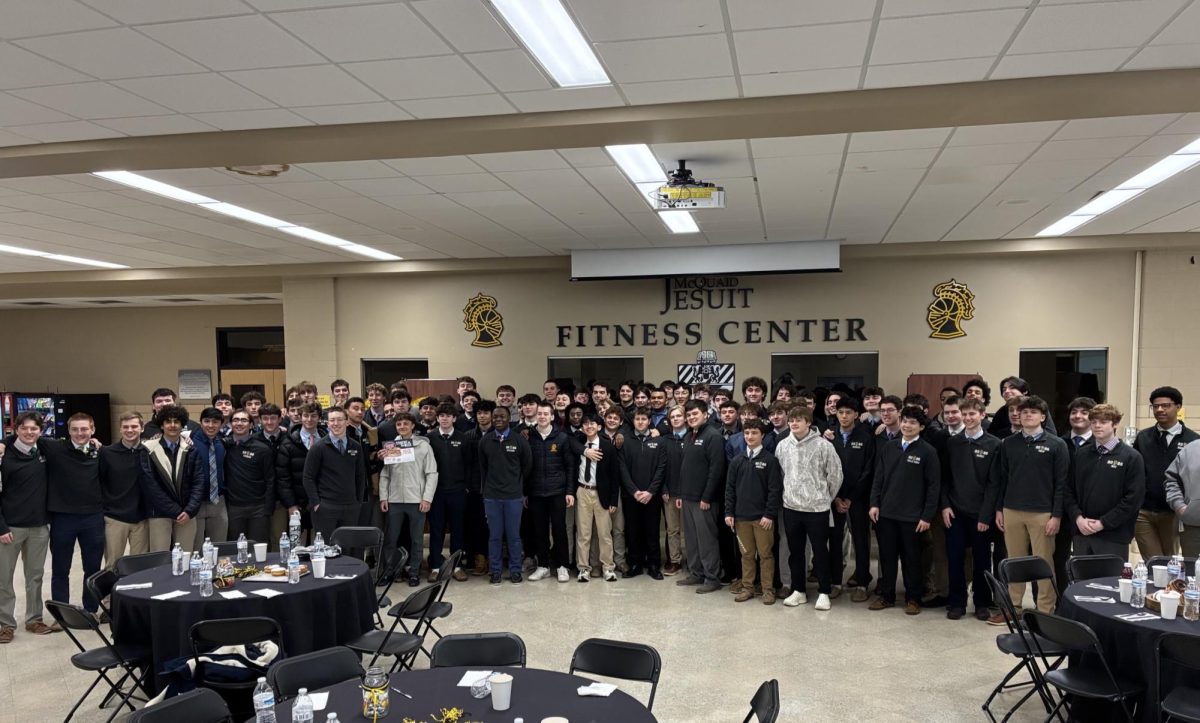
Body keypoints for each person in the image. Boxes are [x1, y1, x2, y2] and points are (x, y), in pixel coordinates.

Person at [992, 395, 1069, 613]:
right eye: (1023, 412)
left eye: (1033, 412)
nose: (1027, 415)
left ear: (1043, 417)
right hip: (1011, 510)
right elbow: (1002, 479)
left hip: (1043, 513)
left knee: (1043, 563)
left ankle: (1045, 610)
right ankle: (1013, 608)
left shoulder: (1056, 444)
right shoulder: (1008, 443)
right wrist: (999, 509)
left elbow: (1061, 483)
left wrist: (1056, 515)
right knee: (1014, 562)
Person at [869, 406, 940, 615]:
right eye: (905, 421)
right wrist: (874, 504)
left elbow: (933, 486)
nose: (907, 425)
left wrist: (927, 516)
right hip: (887, 514)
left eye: (913, 423)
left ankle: (913, 598)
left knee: (912, 560)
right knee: (887, 557)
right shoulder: (889, 447)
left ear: (921, 427)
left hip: (913, 517)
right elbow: (878, 478)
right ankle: (887, 596)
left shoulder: (928, 451)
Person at [776, 406, 843, 610]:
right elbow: (781, 474)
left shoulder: (824, 446)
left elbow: (835, 475)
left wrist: (824, 498)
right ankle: (799, 590)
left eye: (799, 420)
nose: (794, 423)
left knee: (820, 551)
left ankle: (824, 592)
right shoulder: (782, 446)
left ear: (808, 423)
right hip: (791, 507)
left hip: (817, 509)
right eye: (792, 420)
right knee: (795, 552)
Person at [42, 413, 105, 623]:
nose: (80, 433)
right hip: (63, 518)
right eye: (75, 429)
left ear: (92, 430)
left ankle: (90, 610)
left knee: (92, 568)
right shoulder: (55, 448)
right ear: (68, 431)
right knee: (60, 568)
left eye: (84, 429)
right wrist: (4, 443)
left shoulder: (99, 451)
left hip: (93, 518)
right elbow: (26, 435)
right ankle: (62, 614)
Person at [943, 396, 1001, 621]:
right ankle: (957, 602)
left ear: (982, 415)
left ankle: (981, 603)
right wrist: (945, 506)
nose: (967, 418)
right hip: (955, 511)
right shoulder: (953, 443)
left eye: (972, 414)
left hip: (980, 514)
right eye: (964, 414)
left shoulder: (994, 444)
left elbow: (994, 484)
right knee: (955, 558)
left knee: (982, 560)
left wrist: (986, 515)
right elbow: (945, 478)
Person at [0, 412, 56, 639]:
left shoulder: (43, 451)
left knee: (35, 576)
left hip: (39, 527)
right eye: (25, 428)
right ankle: (5, 624)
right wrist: (1, 527)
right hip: (10, 528)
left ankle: (34, 619)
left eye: (34, 429)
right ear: (16, 430)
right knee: (4, 577)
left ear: (40, 431)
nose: (30, 432)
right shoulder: (4, 457)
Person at [1065, 404, 1144, 559]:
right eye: (1094, 422)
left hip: (1113, 535)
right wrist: (1078, 518)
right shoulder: (1080, 454)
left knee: (1110, 582)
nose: (1097, 426)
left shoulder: (1131, 457)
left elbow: (1133, 499)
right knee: (1082, 581)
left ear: (1115, 424)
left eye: (1103, 422)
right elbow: (1068, 490)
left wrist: (1103, 523)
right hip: (1082, 532)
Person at [724, 419, 784, 605]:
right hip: (741, 518)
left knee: (765, 555)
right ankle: (748, 587)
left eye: (754, 433)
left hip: (762, 519)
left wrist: (769, 514)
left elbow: (775, 490)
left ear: (762, 435)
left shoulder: (770, 460)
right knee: (747, 555)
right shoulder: (737, 461)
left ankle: (767, 589)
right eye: (747, 433)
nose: (750, 436)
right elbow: (730, 489)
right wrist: (729, 513)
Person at [1134, 386, 1198, 559]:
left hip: (1174, 513)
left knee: (1170, 560)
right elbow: (1135, 473)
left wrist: (1184, 508)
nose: (1160, 410)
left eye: (1165, 405)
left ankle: (1169, 587)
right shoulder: (1143, 437)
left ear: (1178, 407)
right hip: (1144, 510)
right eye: (1155, 406)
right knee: (1152, 560)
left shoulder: (1192, 440)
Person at [379, 413, 438, 586]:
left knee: (417, 539)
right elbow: (385, 475)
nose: (402, 426)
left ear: (413, 426)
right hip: (395, 500)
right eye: (399, 424)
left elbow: (431, 474)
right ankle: (389, 571)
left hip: (416, 500)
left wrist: (427, 499)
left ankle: (414, 572)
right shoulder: (390, 447)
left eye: (406, 423)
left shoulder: (423, 446)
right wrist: (384, 497)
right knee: (391, 538)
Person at [675, 400, 727, 594]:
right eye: (688, 415)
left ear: (706, 414)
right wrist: (680, 493)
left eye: (695, 414)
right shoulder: (689, 436)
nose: (691, 417)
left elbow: (716, 470)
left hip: (704, 500)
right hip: (688, 497)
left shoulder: (713, 436)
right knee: (692, 539)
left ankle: (712, 577)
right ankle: (696, 572)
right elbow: (684, 469)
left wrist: (707, 497)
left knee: (707, 540)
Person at [829, 396, 876, 602]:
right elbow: (826, 470)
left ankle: (863, 583)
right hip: (835, 498)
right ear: (836, 414)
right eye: (841, 412)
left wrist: (851, 497)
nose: (844, 416)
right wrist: (837, 497)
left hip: (858, 499)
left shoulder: (866, 437)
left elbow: (868, 470)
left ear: (856, 414)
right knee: (835, 540)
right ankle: (835, 582)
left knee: (860, 541)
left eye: (848, 412)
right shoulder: (830, 438)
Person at [479, 406, 531, 584]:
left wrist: (521, 490)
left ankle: (515, 570)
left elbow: (527, 467)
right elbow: (483, 468)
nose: (498, 419)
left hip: (513, 496)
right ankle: (495, 571)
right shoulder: (485, 441)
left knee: (513, 535)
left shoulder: (519, 440)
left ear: (510, 418)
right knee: (494, 535)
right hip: (492, 496)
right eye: (495, 416)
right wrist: (485, 491)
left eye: (502, 416)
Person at [524, 402, 576, 583]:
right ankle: (543, 566)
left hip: (558, 492)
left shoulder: (562, 438)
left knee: (560, 530)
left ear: (552, 417)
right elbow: (524, 468)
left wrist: (569, 491)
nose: (542, 416)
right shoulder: (528, 437)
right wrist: (525, 493)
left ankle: (562, 566)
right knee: (540, 531)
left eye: (546, 413)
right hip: (536, 492)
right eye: (540, 413)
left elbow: (570, 466)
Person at [139, 405, 200, 552]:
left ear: (182, 425)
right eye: (168, 421)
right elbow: (150, 485)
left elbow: (199, 482)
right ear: (162, 425)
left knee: (186, 557)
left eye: (176, 422)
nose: (172, 425)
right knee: (160, 559)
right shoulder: (148, 449)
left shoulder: (191, 449)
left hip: (187, 514)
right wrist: (174, 510)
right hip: (159, 513)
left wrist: (189, 510)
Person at [302, 407, 368, 540]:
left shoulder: (356, 447)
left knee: (347, 548)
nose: (336, 423)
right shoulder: (318, 447)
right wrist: (316, 503)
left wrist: (358, 502)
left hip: (350, 508)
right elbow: (308, 477)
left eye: (339, 420)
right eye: (332, 420)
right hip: (326, 507)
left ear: (346, 422)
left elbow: (360, 476)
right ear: (327, 423)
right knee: (326, 548)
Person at [99, 412, 149, 573]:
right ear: (120, 429)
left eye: (134, 426)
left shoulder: (149, 452)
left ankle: (136, 597)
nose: (130, 430)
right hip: (115, 517)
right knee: (112, 564)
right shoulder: (107, 452)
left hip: (142, 518)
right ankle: (109, 598)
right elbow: (99, 481)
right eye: (125, 427)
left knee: (139, 565)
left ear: (141, 428)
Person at [622, 407, 667, 580]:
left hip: (652, 496)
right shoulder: (625, 441)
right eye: (637, 419)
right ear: (633, 421)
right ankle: (635, 564)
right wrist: (634, 491)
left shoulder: (660, 441)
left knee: (652, 531)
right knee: (633, 531)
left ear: (649, 421)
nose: (640, 422)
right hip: (631, 495)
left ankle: (654, 564)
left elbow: (661, 468)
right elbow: (622, 468)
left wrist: (650, 491)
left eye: (643, 419)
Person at [427, 404, 469, 582]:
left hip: (458, 491)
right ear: (437, 418)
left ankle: (457, 566)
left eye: (448, 416)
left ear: (454, 418)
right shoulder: (429, 438)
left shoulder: (463, 438)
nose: (444, 418)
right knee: (436, 530)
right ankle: (435, 566)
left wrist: (465, 486)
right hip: (436, 492)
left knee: (458, 530)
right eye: (441, 416)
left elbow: (469, 464)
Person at [222, 409, 276, 544]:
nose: (239, 423)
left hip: (259, 508)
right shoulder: (223, 445)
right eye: (235, 420)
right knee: (236, 549)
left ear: (251, 425)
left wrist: (268, 508)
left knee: (259, 548)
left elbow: (270, 480)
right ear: (230, 424)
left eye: (244, 420)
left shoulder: (262, 449)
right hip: (234, 508)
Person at [275, 402, 322, 550]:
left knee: (319, 544)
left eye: (313, 416)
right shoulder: (288, 443)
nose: (309, 419)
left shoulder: (326, 439)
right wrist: (290, 504)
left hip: (321, 502)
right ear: (300, 417)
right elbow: (283, 478)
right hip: (297, 503)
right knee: (297, 547)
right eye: (306, 415)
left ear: (319, 418)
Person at [461, 400, 496, 575]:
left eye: (486, 413)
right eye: (479, 413)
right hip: (474, 489)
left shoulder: (499, 434)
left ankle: (493, 559)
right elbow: (465, 464)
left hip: (495, 488)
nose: (482, 416)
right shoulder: (467, 436)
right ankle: (479, 559)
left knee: (494, 526)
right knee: (476, 525)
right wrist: (467, 485)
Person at [188, 408, 228, 547]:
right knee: (196, 548)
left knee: (219, 546)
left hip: (218, 502)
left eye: (215, 422)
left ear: (221, 424)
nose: (210, 425)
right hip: (196, 502)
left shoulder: (221, 443)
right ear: (200, 422)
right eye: (206, 421)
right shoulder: (189, 443)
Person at [660, 405, 688, 575]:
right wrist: (663, 488)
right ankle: (675, 560)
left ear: (685, 418)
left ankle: (693, 561)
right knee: (672, 529)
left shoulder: (693, 438)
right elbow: (660, 467)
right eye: (673, 417)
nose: (676, 419)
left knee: (691, 530)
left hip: (689, 493)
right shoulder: (665, 440)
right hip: (669, 492)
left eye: (679, 416)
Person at [1167, 439, 1200, 557]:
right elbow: (1171, 480)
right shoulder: (1190, 450)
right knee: (1194, 572)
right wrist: (1179, 506)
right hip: (1193, 528)